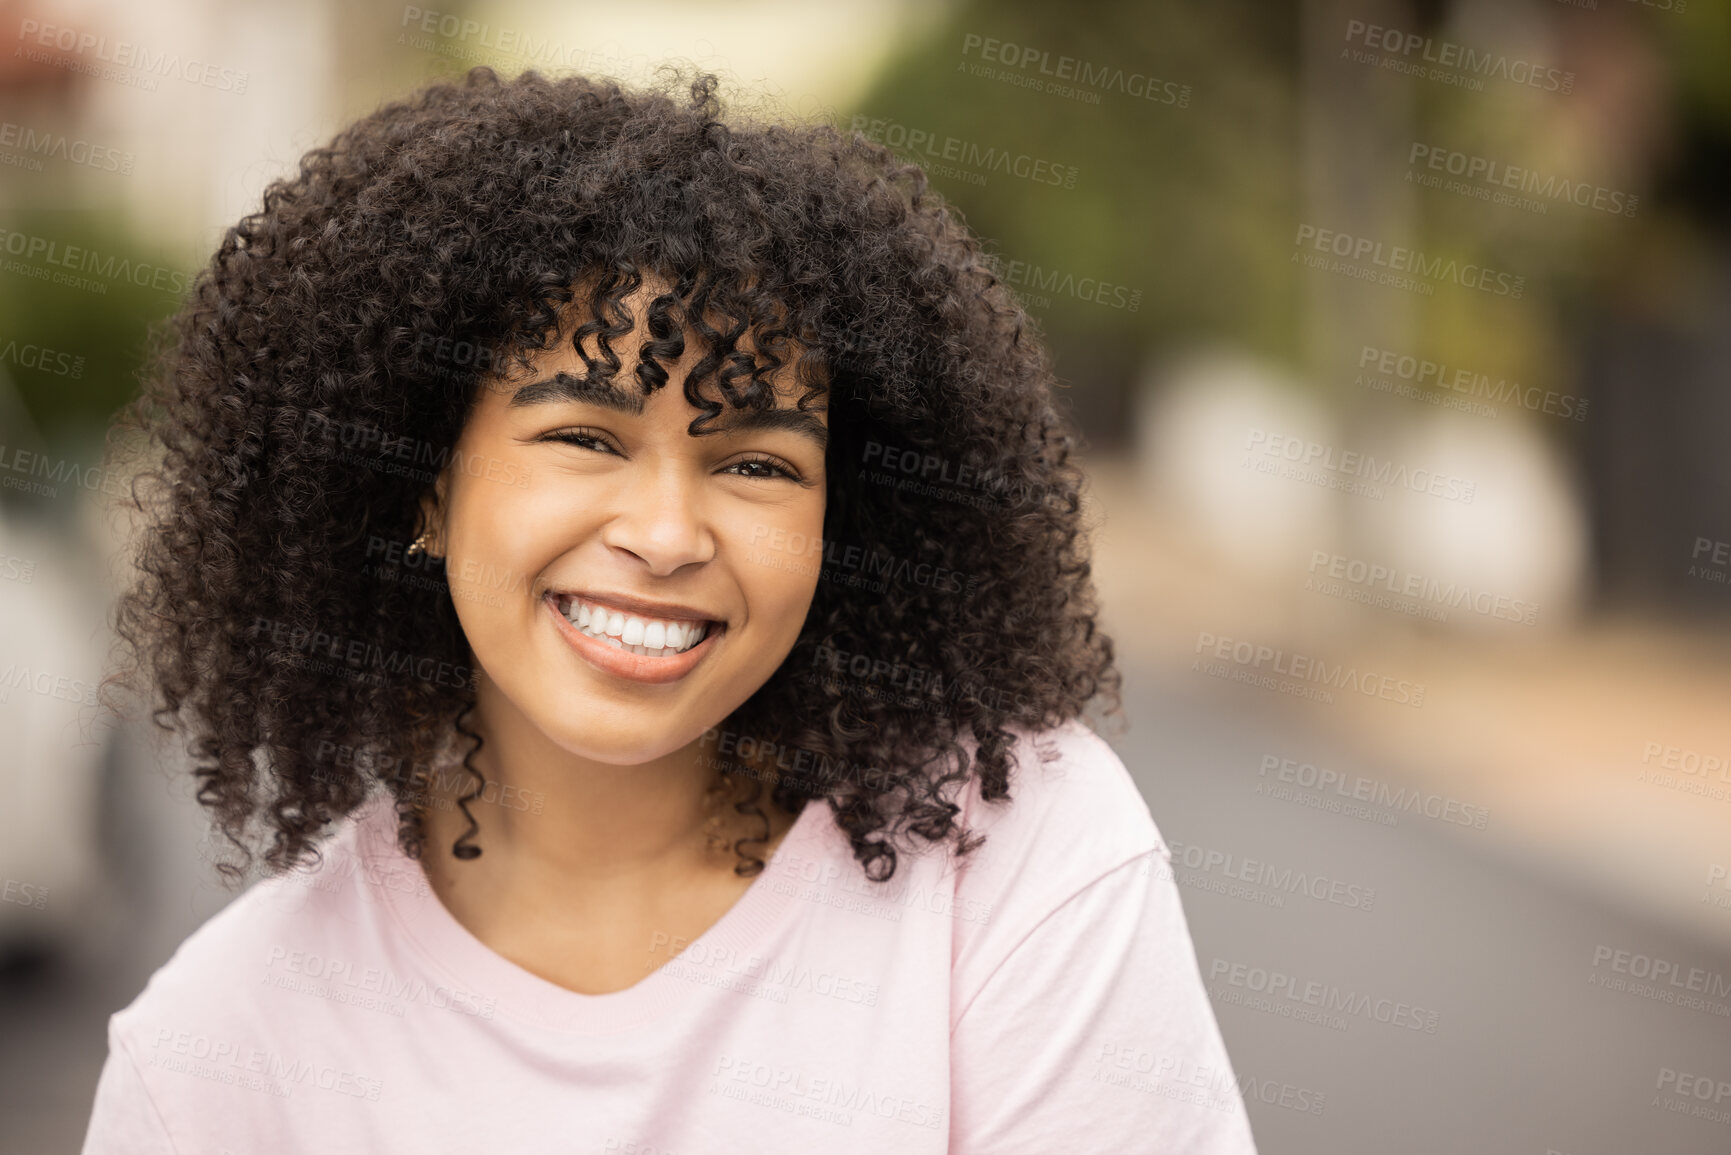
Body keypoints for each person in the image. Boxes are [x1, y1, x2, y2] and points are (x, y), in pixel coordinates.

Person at [83, 65, 1259, 1153]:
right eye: (585, 439)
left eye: (756, 464)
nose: (664, 536)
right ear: (420, 489)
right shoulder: (212, 1060)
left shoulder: (1020, 863)